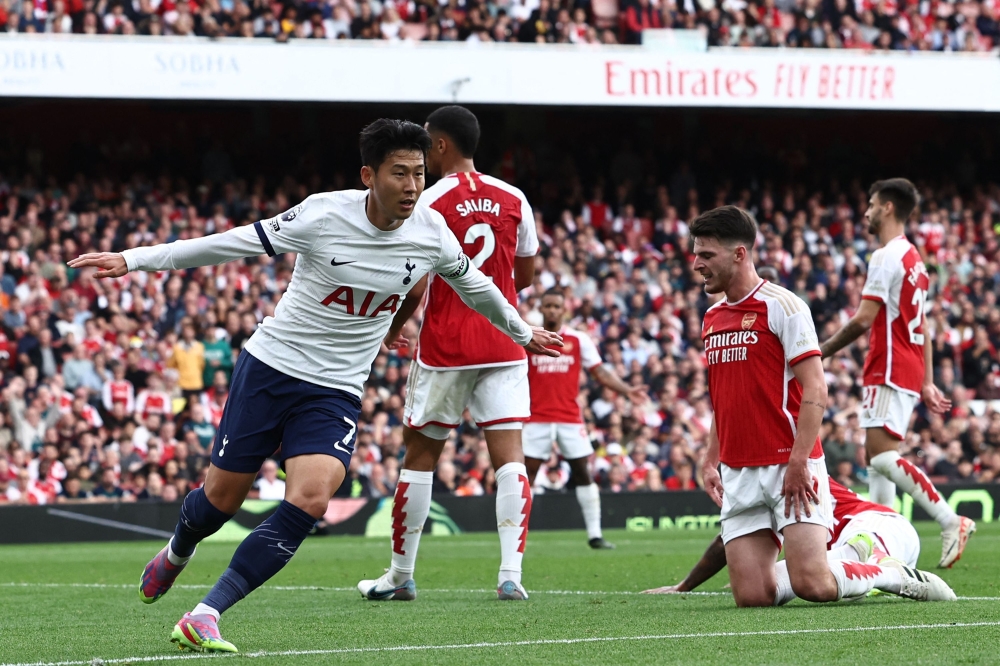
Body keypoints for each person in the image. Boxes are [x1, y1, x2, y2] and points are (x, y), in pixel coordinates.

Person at [68, 118, 562, 653]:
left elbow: (479, 287)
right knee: (218, 502)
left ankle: (206, 613)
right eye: (400, 174)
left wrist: (523, 331)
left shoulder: (432, 231)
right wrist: (133, 260)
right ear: (369, 176)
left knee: (310, 499)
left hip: (336, 390)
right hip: (271, 369)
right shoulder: (323, 213)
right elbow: (230, 244)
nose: (413, 187)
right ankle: (177, 551)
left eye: (420, 173)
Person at [689, 205, 952, 608]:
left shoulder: (784, 306)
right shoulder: (711, 318)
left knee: (814, 584)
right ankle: (854, 565)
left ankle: (891, 572)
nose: (697, 264)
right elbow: (723, 398)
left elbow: (816, 387)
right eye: (696, 254)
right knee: (753, 597)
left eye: (706, 255)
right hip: (739, 470)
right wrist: (711, 459)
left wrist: (799, 462)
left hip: (787, 462)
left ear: (739, 254)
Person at [358, 106, 541, 603]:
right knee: (510, 461)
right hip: (505, 343)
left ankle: (400, 575)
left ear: (438, 145)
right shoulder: (513, 197)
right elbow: (523, 278)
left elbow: (416, 285)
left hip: (447, 346)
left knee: (420, 456)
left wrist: (390, 330)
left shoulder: (428, 200)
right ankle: (510, 575)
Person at [819, 178, 975, 568]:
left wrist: (818, 351)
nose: (866, 212)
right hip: (906, 369)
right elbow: (922, 327)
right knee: (877, 464)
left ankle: (948, 518)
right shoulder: (915, 261)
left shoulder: (886, 256)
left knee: (881, 456)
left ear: (888, 208)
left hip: (887, 367)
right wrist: (925, 380)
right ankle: (883, 548)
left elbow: (862, 320)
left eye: (871, 205)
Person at [642, 479, 928, 601]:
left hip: (875, 526)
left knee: (854, 548)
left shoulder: (778, 476)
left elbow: (725, 541)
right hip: (892, 542)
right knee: (780, 582)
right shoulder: (789, 469)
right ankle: (880, 569)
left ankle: (879, 563)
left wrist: (683, 587)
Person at [522, 288, 648, 550]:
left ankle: (595, 534)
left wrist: (626, 390)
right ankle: (518, 533)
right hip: (536, 418)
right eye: (548, 306)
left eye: (557, 306)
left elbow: (599, 372)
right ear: (541, 309)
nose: (553, 311)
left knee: (582, 472)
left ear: (564, 309)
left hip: (569, 418)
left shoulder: (579, 340)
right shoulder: (529, 337)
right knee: (526, 475)